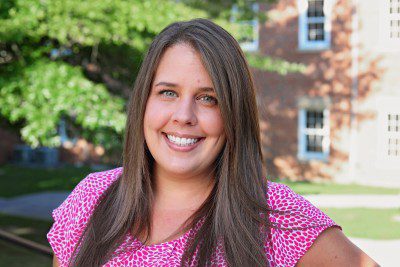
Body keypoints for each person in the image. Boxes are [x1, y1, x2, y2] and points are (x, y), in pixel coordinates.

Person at [47, 18, 379, 267]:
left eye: (209, 99)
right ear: (143, 102)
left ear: (234, 114)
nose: (184, 115)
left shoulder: (275, 214)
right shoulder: (90, 200)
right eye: (168, 92)